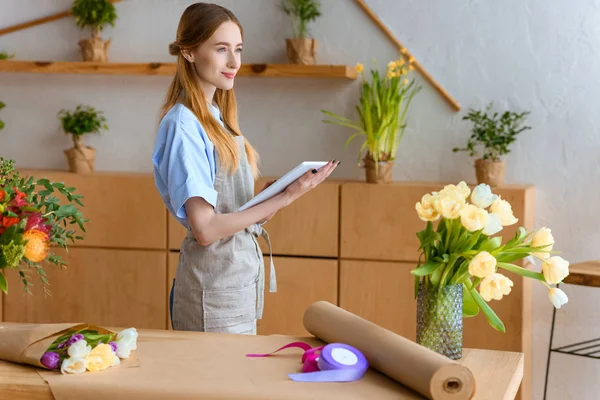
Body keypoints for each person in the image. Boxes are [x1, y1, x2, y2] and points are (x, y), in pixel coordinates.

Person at [152, 3, 338, 335]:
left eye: (237, 49)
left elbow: (233, 213)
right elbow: (206, 229)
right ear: (189, 52)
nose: (234, 62)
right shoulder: (184, 124)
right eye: (221, 49)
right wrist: (284, 198)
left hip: (234, 284)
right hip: (212, 292)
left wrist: (278, 192)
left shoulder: (217, 118)